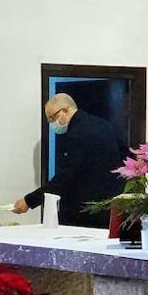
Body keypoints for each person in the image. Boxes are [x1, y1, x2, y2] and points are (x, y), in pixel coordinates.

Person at [11, 93, 125, 228]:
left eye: (53, 117)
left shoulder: (76, 135)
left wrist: (29, 201)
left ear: (66, 110)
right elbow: (124, 158)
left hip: (83, 212)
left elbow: (64, 178)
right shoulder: (104, 125)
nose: (52, 123)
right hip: (110, 208)